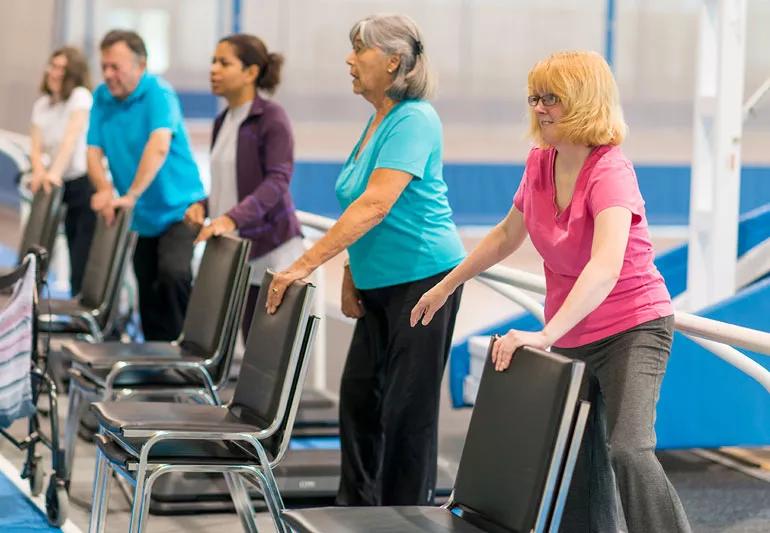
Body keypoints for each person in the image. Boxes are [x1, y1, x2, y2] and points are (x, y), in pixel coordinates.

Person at [411, 50, 691, 533]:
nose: (539, 108)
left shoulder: (610, 171)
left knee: (629, 449)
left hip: (632, 328)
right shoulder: (541, 163)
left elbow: (605, 267)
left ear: (584, 102)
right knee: (577, 462)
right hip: (573, 328)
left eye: (552, 99)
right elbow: (505, 235)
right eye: (535, 98)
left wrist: (543, 336)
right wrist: (446, 286)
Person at [266, 14, 465, 506]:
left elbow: (376, 204)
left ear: (393, 61)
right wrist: (354, 272)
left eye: (360, 51)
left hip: (425, 282)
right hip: (380, 285)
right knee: (359, 401)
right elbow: (364, 205)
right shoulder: (379, 117)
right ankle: (356, 512)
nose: (349, 60)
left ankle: (405, 517)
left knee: (406, 414)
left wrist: (302, 265)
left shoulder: (416, 118)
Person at [86, 30, 205, 341]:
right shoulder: (102, 97)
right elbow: (93, 150)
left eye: (116, 67)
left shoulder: (158, 93)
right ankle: (156, 360)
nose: (109, 75)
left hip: (181, 208)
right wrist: (103, 190)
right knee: (147, 289)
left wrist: (130, 194)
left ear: (141, 65)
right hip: (142, 215)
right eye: (105, 67)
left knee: (173, 274)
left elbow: (159, 145)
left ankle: (188, 354)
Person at [185, 33, 303, 340]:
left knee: (263, 351)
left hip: (272, 252)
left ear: (251, 73)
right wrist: (204, 205)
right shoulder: (223, 120)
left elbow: (277, 180)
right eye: (213, 61)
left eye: (224, 63)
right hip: (240, 251)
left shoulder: (271, 118)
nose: (214, 69)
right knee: (246, 343)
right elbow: (232, 183)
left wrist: (230, 219)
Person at [29, 46, 95, 295]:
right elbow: (36, 146)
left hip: (81, 183)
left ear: (73, 73)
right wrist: (39, 172)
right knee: (48, 246)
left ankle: (82, 306)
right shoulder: (43, 105)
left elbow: (71, 139)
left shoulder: (80, 97)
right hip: (59, 185)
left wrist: (53, 173)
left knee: (80, 254)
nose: (53, 72)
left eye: (60, 68)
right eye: (52, 65)